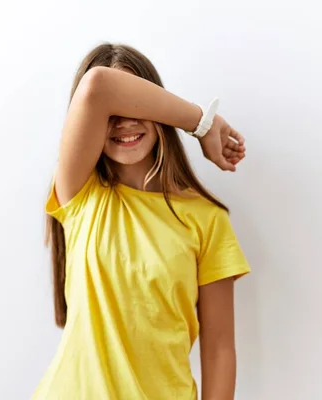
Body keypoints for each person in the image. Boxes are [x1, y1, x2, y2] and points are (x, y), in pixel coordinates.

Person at [33, 43, 251, 400]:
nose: (124, 122)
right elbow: (97, 87)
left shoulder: (207, 220)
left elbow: (219, 349)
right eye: (110, 114)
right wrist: (202, 123)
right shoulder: (79, 194)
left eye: (134, 106)